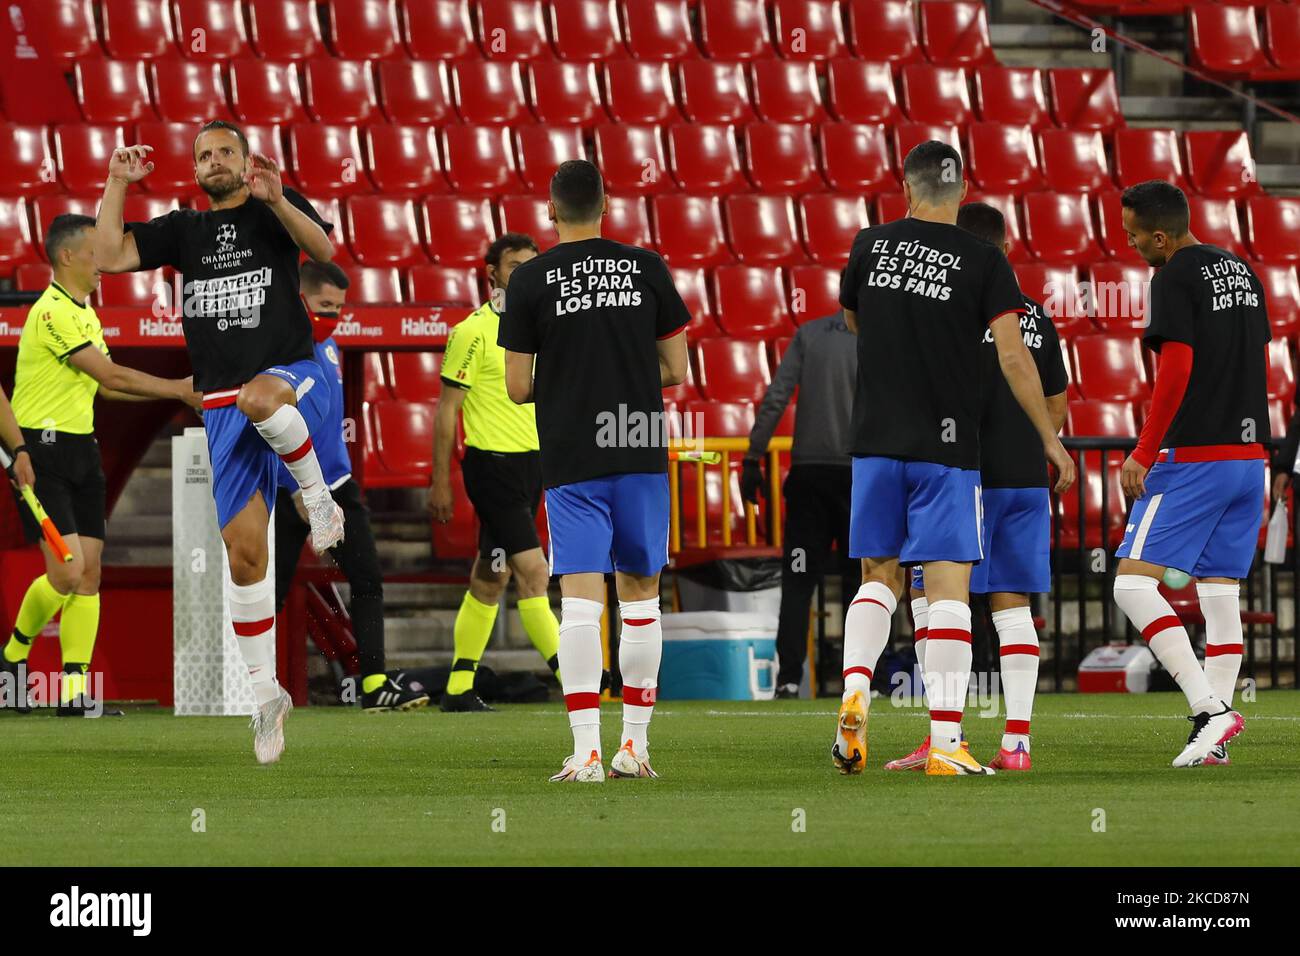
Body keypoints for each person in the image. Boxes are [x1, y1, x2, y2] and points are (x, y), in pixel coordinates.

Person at [92, 121, 341, 763]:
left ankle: (319, 499)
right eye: (204, 155)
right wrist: (117, 181)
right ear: (196, 171)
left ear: (245, 158)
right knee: (244, 556)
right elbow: (107, 256)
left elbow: (323, 251)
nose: (214, 161)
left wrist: (280, 198)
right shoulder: (184, 230)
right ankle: (266, 699)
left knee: (263, 398)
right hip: (222, 406)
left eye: (225, 150)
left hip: (288, 376)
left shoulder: (270, 209)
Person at [833, 141, 1074, 777]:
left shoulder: (867, 245)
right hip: (947, 449)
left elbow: (854, 323)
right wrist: (1049, 438)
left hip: (876, 442)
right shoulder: (982, 260)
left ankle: (856, 689)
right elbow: (1015, 355)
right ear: (962, 189)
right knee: (947, 591)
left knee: (877, 578)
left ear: (904, 184)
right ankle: (946, 741)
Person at [499, 160, 690, 783]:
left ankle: (585, 752)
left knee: (580, 602)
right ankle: (634, 748)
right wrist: (623, 374)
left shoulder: (529, 279)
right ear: (606, 204)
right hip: (636, 446)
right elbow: (676, 368)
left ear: (550, 212)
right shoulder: (648, 267)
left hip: (572, 450)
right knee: (641, 597)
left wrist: (570, 377)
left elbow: (518, 388)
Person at [888, 202, 1069, 772]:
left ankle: (947, 735)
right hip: (1024, 476)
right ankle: (1017, 743)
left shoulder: (947, 314)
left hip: (959, 477)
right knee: (1012, 606)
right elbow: (1057, 404)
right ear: (1007, 247)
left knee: (932, 599)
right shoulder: (1036, 316)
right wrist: (1037, 442)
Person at [1, 214, 199, 715]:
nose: (103, 265)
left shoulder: (85, 312)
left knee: (89, 577)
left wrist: (174, 395)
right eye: (95, 254)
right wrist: (178, 389)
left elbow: (107, 386)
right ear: (67, 256)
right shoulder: (51, 313)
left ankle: (73, 693)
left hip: (82, 451)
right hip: (42, 453)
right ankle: (12, 657)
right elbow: (108, 372)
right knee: (67, 573)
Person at [1111, 180, 1265, 768]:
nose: (1130, 246)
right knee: (1221, 595)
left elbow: (1176, 367)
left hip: (1197, 457)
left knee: (1130, 582)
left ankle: (1210, 711)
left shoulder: (1172, 276)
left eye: (1133, 236)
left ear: (1160, 235)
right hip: (1250, 458)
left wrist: (1143, 452)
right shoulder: (1243, 273)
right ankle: (1213, 741)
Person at [272, 260, 428, 713]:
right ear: (299, 300)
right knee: (269, 591)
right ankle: (251, 685)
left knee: (367, 579)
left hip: (336, 485)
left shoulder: (332, 347)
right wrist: (295, 488)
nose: (333, 315)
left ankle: (374, 682)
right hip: (292, 490)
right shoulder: (278, 354)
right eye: (324, 306)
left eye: (339, 307)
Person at [430, 233, 569, 712]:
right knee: (534, 572)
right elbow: (448, 410)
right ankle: (574, 678)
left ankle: (457, 689)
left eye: (532, 265)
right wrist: (441, 480)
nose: (524, 274)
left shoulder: (544, 328)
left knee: (491, 576)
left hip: (534, 468)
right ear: (492, 273)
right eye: (514, 266)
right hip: (492, 469)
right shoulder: (472, 330)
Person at [740, 298, 856, 699]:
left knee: (798, 580)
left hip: (809, 479)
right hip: (863, 479)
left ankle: (789, 678)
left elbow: (777, 397)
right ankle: (861, 679)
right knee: (866, 582)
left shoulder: (809, 335)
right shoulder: (883, 339)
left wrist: (754, 456)